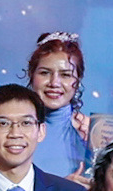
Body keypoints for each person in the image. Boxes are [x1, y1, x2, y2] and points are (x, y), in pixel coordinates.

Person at [24, 33, 101, 182]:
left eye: (65, 75)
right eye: (45, 73)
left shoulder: (93, 133)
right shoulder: (14, 131)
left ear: (78, 80)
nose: (54, 83)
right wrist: (64, 189)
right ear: (31, 75)